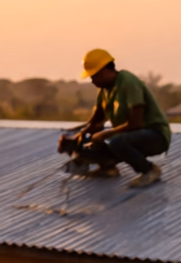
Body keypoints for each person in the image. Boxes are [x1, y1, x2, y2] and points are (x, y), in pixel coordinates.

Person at [59, 48, 171, 188]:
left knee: (116, 142)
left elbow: (136, 123)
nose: (93, 81)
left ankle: (149, 170)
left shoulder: (128, 82)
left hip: (154, 135)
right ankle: (107, 168)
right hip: (128, 135)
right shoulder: (104, 90)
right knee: (87, 140)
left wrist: (106, 134)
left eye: (94, 76)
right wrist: (76, 138)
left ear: (105, 70)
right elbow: (96, 122)